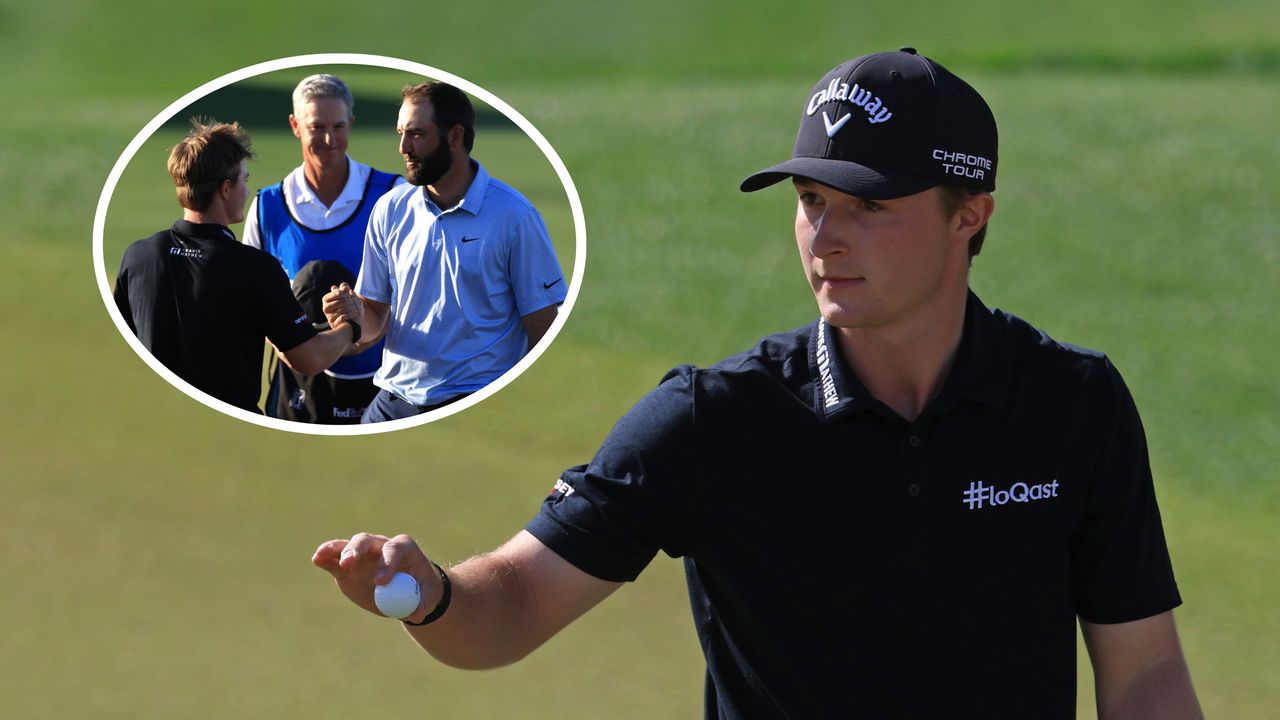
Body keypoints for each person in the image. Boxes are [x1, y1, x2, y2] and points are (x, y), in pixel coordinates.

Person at [312, 49, 1203, 718]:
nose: (826, 235)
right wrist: (431, 596)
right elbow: (516, 603)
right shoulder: (715, 420)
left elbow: (1147, 672)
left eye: (868, 205)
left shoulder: (1072, 406)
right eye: (811, 200)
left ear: (969, 216)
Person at [320, 81, 567, 423]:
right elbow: (376, 314)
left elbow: (543, 328)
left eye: (417, 134)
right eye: (400, 133)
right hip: (392, 402)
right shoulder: (389, 209)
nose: (404, 147)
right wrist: (353, 315)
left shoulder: (514, 216)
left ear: (454, 137)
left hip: (474, 404)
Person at [114, 119, 360, 414]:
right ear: (226, 188)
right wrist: (350, 327)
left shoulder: (138, 256)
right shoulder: (254, 268)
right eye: (244, 179)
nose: (247, 189)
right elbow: (309, 359)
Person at [243, 74, 404, 424]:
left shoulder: (394, 195)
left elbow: (420, 292)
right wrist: (305, 352)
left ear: (351, 124)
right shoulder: (267, 207)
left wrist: (356, 334)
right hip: (299, 394)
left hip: (387, 387)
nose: (330, 139)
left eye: (339, 126)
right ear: (295, 126)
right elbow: (252, 306)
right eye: (317, 127)